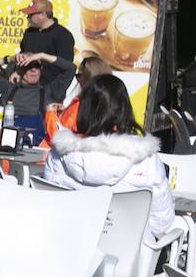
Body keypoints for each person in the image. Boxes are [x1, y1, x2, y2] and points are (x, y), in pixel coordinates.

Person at [42, 74, 174, 236]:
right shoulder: (145, 158)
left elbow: (49, 207)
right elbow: (161, 224)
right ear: (124, 109)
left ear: (83, 108)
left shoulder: (58, 153)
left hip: (70, 250)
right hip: (130, 256)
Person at [24, 53, 112, 144]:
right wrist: (64, 113)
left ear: (88, 77)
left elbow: (59, 139)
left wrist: (50, 113)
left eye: (78, 76)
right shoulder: (106, 106)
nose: (77, 80)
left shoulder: (82, 106)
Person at [0, 52, 51, 142]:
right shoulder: (7, 88)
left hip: (37, 149)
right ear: (20, 70)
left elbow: (70, 69)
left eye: (36, 66)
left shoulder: (48, 91)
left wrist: (42, 56)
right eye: (28, 66)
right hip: (8, 147)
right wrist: (8, 59)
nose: (33, 69)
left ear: (41, 69)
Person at [18, 0, 75, 100]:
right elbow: (24, 55)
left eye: (30, 15)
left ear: (43, 14)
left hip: (51, 92)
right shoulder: (29, 33)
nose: (28, 18)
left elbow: (66, 66)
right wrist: (17, 72)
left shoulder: (63, 35)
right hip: (27, 90)